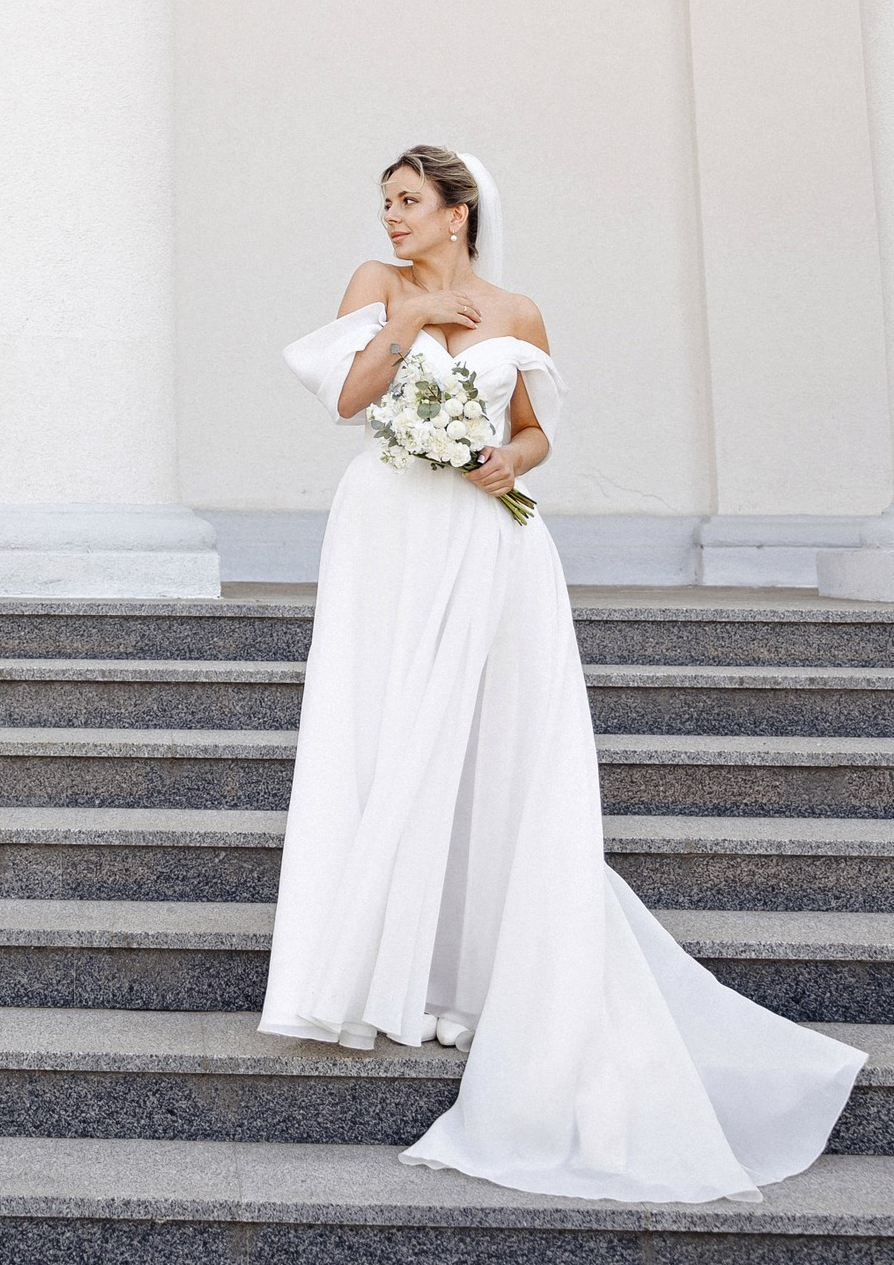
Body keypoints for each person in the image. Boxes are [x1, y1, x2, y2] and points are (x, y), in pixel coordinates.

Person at [261, 143, 862, 1204]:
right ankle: (366, 967)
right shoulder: (372, 287)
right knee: (382, 726)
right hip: (385, 528)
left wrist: (506, 461)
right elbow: (348, 399)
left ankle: (477, 968)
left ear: (459, 210)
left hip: (486, 537)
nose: (390, 218)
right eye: (384, 203)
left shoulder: (518, 310)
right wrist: (405, 324)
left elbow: (533, 432)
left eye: (407, 202)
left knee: (490, 739)